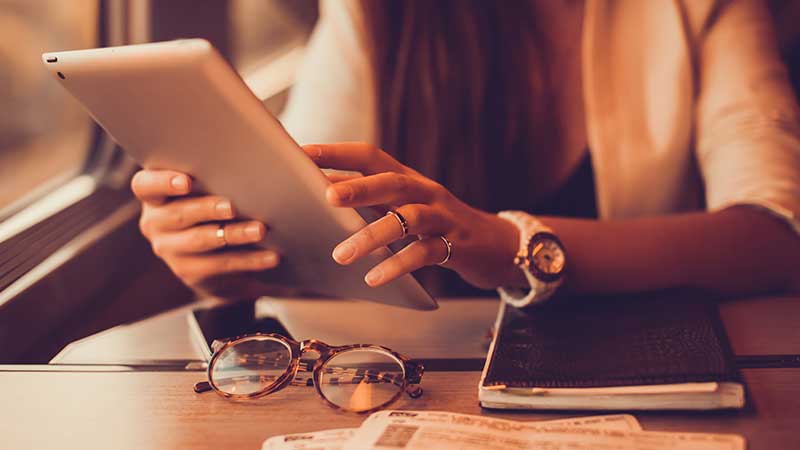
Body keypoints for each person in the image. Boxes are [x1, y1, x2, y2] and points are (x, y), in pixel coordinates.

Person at [132, 0, 800, 304]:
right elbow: (314, 222)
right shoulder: (373, 13)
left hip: (638, 373)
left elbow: (776, 236)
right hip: (424, 382)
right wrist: (225, 259)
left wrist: (506, 244)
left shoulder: (704, 9)